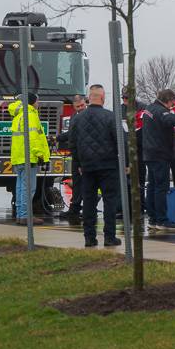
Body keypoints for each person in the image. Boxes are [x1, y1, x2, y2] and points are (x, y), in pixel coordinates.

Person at [68, 84, 121, 248]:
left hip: (87, 167)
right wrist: (124, 163)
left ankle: (89, 238)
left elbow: (72, 143)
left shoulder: (77, 118)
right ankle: (109, 237)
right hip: (108, 166)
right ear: (103, 98)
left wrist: (78, 163)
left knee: (89, 203)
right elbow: (120, 140)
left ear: (88, 99)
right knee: (110, 202)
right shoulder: (111, 117)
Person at [143, 89, 175, 230]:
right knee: (161, 188)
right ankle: (162, 220)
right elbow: (172, 120)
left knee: (152, 187)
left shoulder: (149, 109)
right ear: (169, 100)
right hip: (160, 154)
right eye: (172, 102)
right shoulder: (161, 112)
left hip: (149, 154)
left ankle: (153, 219)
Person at [9, 91, 50, 225]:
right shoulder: (30, 115)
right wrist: (39, 154)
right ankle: (26, 216)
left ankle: (21, 215)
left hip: (19, 157)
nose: (38, 104)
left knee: (21, 187)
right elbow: (33, 138)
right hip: (29, 157)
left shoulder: (18, 115)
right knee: (29, 188)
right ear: (32, 102)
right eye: (37, 101)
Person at [57, 93, 87, 224]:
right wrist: (58, 138)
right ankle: (74, 208)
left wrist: (59, 137)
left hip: (85, 154)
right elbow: (72, 133)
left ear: (85, 102)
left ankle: (81, 209)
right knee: (77, 182)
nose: (80, 107)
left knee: (84, 183)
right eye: (77, 106)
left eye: (82, 105)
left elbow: (75, 133)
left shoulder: (87, 116)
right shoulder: (75, 115)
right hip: (76, 153)